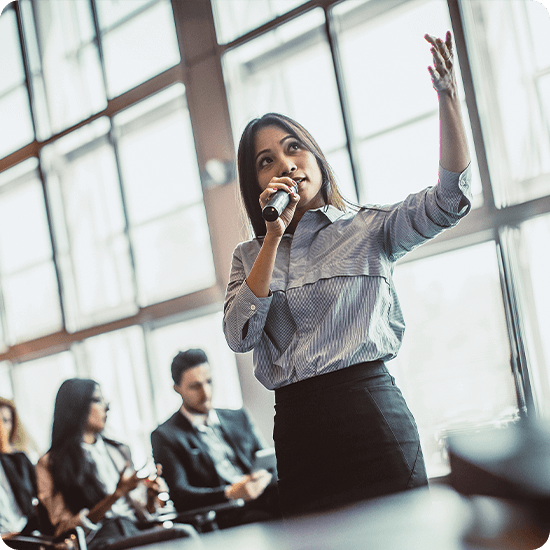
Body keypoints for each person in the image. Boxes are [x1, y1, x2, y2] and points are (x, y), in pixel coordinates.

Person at [223, 31, 472, 518]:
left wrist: (449, 99)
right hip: (297, 432)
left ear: (316, 157)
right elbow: (239, 334)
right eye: (266, 160)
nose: (286, 164)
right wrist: (273, 238)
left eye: (294, 149)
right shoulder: (249, 255)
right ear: (256, 182)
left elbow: (450, 200)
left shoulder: (370, 227)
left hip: (370, 416)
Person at [36, 379, 195, 549]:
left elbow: (142, 512)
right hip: (99, 540)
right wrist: (115, 495)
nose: (107, 407)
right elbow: (64, 528)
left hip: (134, 529)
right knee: (183, 534)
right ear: (76, 407)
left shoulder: (118, 450)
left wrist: (150, 498)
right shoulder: (50, 463)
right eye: (97, 400)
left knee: (184, 531)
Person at [151, 348, 281, 529]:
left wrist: (263, 477)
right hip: (224, 514)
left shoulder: (238, 417)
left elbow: (271, 461)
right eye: (195, 386)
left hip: (265, 497)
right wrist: (230, 493)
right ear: (177, 388)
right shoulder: (165, 436)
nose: (206, 393)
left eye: (209, 382)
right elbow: (181, 494)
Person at [0, 398, 39, 535]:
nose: (2, 426)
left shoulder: (21, 459)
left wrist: (5, 450)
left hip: (23, 531)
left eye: (6, 421)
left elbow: (33, 496)